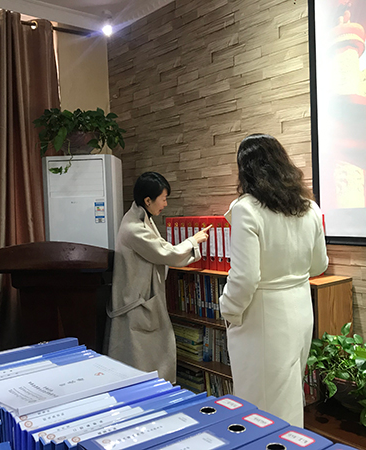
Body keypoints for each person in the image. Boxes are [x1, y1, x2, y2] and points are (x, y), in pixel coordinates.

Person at [219, 134, 329, 427]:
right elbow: (319, 264)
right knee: (288, 396)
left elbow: (244, 277)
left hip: (263, 314)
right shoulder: (309, 208)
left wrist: (228, 309)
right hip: (301, 308)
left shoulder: (246, 209)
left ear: (246, 170)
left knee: (261, 406)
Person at [106, 172, 211, 383]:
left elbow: (161, 249)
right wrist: (193, 241)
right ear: (148, 200)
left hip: (142, 301)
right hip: (135, 306)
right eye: (163, 199)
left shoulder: (141, 217)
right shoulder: (134, 228)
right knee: (139, 369)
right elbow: (165, 253)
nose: (165, 204)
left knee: (147, 366)